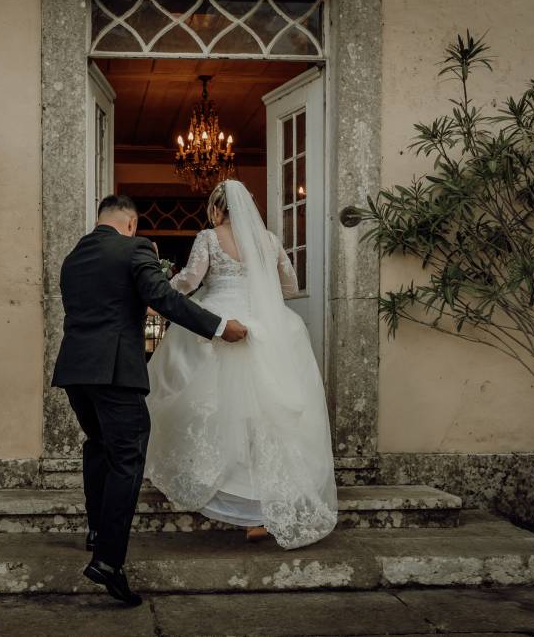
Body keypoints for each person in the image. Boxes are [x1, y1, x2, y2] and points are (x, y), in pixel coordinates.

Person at [51, 194, 248, 606]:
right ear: (131, 224)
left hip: (75, 370)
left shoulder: (74, 256)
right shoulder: (134, 248)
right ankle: (107, 562)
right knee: (127, 458)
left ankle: (96, 531)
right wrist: (216, 326)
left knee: (99, 447)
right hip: (115, 372)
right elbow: (165, 299)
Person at [145, 179, 339, 549]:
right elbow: (289, 286)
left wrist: (163, 291)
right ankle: (262, 511)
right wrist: (258, 291)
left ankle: (216, 484)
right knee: (265, 416)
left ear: (218, 207)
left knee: (217, 410)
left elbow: (189, 280)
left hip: (220, 319)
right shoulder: (268, 240)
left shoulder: (208, 237)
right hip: (268, 325)